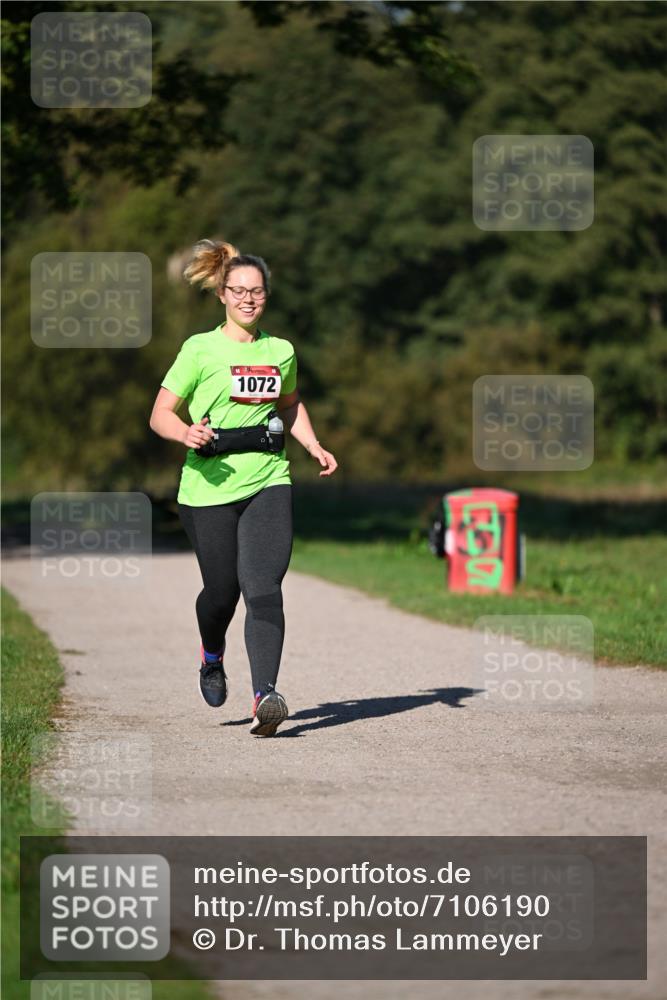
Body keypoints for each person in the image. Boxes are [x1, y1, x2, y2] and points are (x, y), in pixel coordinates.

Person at [149, 239, 338, 736]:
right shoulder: (199, 349)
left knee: (264, 589)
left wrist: (314, 445)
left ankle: (264, 697)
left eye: (257, 292)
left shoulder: (282, 351)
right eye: (239, 291)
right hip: (207, 488)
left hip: (268, 479)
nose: (248, 300)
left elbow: (291, 404)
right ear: (222, 295)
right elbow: (160, 414)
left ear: (266, 296)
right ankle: (212, 656)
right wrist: (185, 432)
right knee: (221, 593)